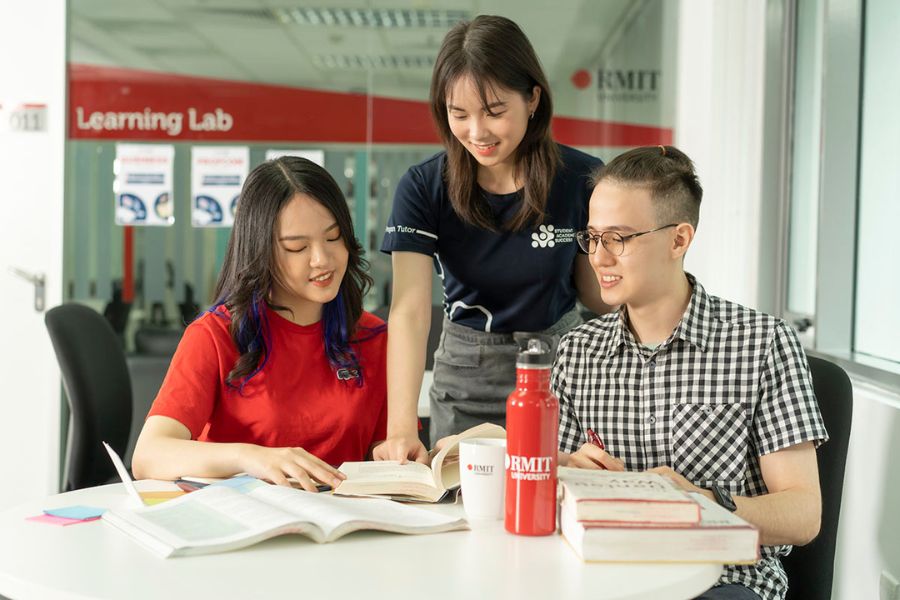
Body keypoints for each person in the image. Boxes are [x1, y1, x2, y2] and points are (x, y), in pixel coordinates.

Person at [553, 145, 828, 600]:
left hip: (725, 582)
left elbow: (803, 514)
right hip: (604, 577)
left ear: (679, 239)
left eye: (618, 238)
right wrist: (568, 470)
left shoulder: (762, 343)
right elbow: (559, 495)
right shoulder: (578, 350)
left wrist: (702, 501)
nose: (599, 258)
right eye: (592, 237)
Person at [375, 15, 609, 462]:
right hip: (467, 379)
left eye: (495, 111)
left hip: (562, 374)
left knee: (554, 511)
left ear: (533, 99)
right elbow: (408, 311)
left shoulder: (581, 177)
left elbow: (595, 297)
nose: (477, 132)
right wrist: (401, 428)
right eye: (458, 114)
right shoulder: (424, 186)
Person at [132, 157, 387, 492]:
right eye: (297, 247)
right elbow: (148, 455)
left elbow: (384, 453)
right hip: (244, 526)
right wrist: (250, 458)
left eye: (333, 237)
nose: (321, 259)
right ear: (261, 250)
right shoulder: (214, 336)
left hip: (345, 527)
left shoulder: (374, 338)